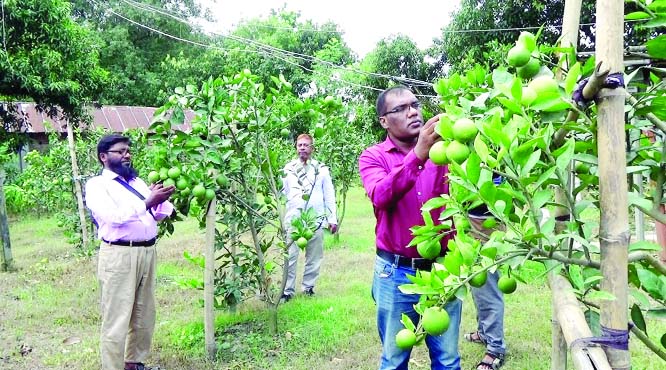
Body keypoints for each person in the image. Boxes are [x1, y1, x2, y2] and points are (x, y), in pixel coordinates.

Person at [359, 85, 462, 370]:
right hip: (396, 272)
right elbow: (380, 195)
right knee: (394, 360)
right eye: (401, 108)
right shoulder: (373, 156)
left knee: (448, 359)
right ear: (384, 120)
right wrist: (418, 154)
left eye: (414, 104)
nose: (413, 111)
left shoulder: (444, 154)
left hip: (443, 270)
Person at [85, 134, 175, 370]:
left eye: (128, 151)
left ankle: (134, 363)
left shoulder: (136, 182)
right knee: (117, 316)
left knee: (144, 313)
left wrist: (160, 199)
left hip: (146, 252)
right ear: (103, 157)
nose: (127, 155)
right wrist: (147, 202)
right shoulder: (97, 186)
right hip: (119, 255)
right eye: (120, 151)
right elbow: (113, 218)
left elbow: (156, 214)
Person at [281, 133, 338, 302]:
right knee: (290, 256)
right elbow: (283, 191)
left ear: (312, 148)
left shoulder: (321, 169)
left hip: (316, 219)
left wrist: (332, 218)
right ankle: (287, 290)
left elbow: (329, 194)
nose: (303, 148)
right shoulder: (288, 169)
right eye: (300, 145)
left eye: (306, 145)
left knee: (314, 256)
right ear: (296, 148)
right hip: (294, 219)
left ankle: (308, 288)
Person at [466, 178, 507, 370]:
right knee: (477, 284)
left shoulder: (488, 148)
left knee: (487, 288)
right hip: (471, 217)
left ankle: (495, 348)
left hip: (486, 222)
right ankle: (484, 333)